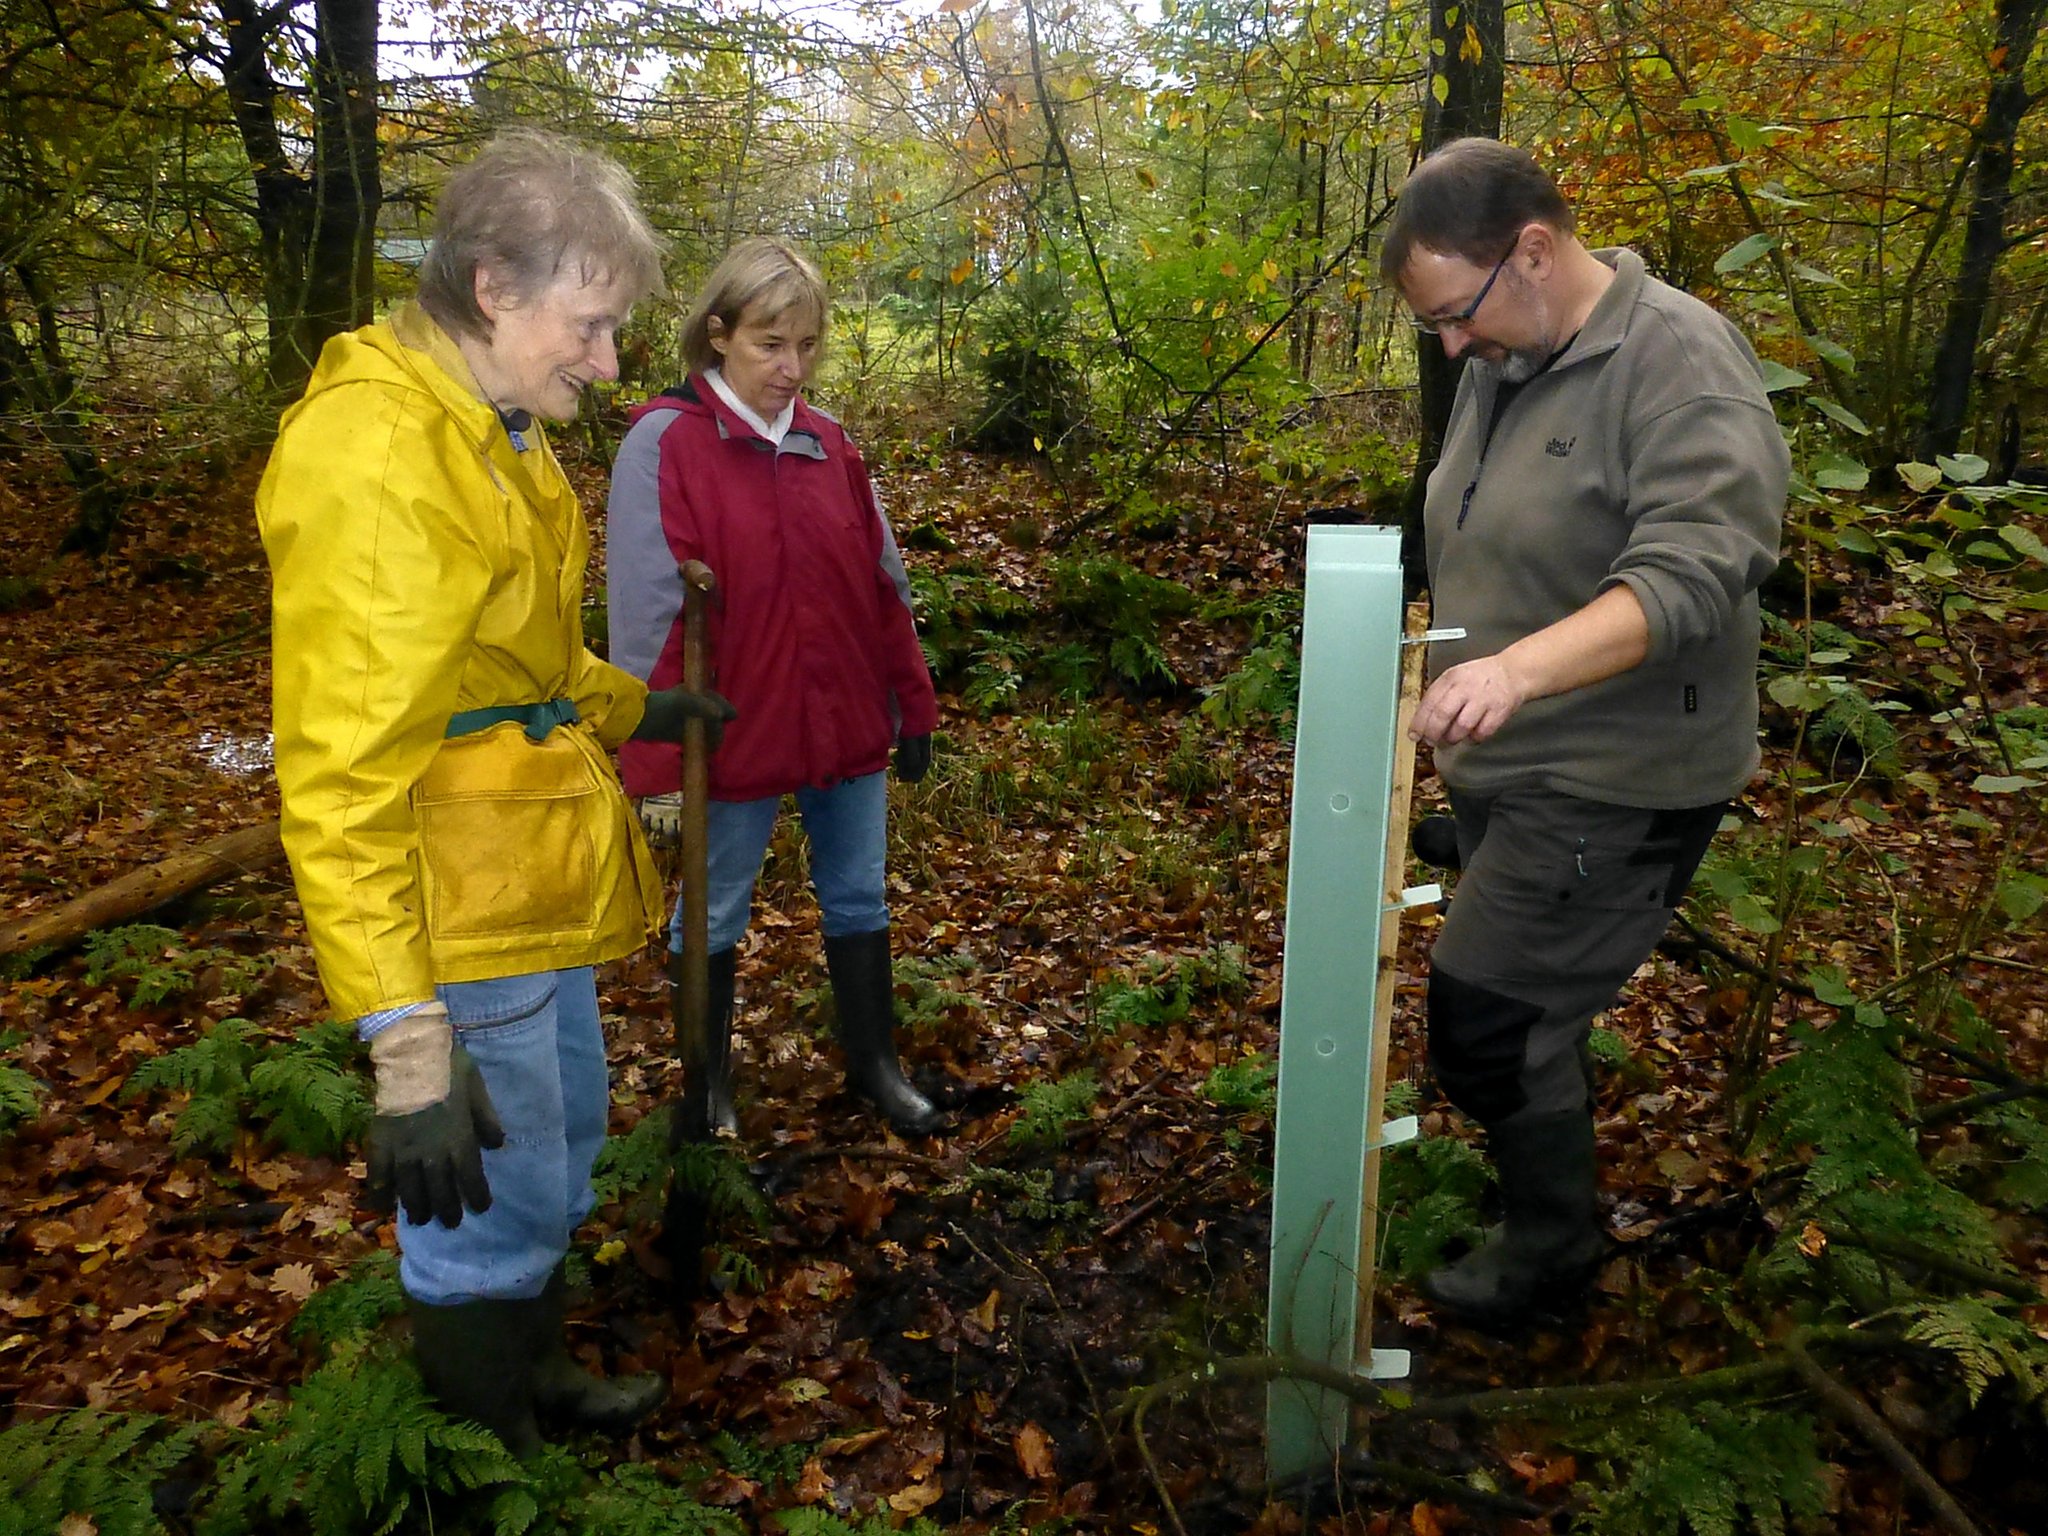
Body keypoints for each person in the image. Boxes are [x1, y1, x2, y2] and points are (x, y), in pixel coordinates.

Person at [256, 130, 734, 1454]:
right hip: (446, 896)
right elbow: (344, 771)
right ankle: (482, 1455)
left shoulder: (492, 421)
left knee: (549, 1146)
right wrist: (408, 1050)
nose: (610, 358)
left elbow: (512, 652)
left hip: (526, 865)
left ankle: (539, 1368)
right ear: (492, 290)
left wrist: (641, 706)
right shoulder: (377, 460)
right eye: (590, 324)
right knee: (481, 1184)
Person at [1381, 138, 1789, 1328]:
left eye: (1455, 313)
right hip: (1515, 766)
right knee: (1508, 1000)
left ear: (1536, 250)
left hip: (1617, 778)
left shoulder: (1676, 362)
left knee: (1487, 1021)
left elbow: (1691, 574)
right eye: (1435, 328)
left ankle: (1554, 1256)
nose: (1449, 345)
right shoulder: (1506, 354)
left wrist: (1512, 670)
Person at [607, 238, 943, 1138]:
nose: (791, 368)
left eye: (805, 346)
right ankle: (705, 1089)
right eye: (769, 345)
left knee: (860, 897)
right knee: (713, 909)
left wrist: (910, 703)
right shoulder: (665, 444)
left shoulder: (828, 444)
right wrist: (655, 759)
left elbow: (883, 585)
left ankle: (874, 1065)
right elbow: (644, 616)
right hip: (728, 732)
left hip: (840, 721)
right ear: (718, 333)